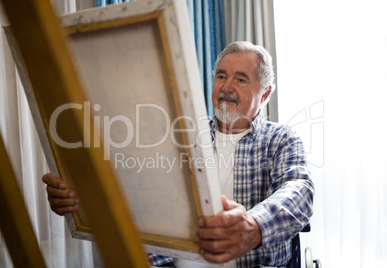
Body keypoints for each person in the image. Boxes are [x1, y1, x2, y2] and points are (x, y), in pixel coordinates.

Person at [42, 41, 314, 267]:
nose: (226, 87)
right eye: (221, 76)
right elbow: (137, 193)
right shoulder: (181, 136)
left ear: (265, 94)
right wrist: (79, 199)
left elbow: (299, 191)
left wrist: (254, 225)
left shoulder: (281, 139)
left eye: (240, 79)